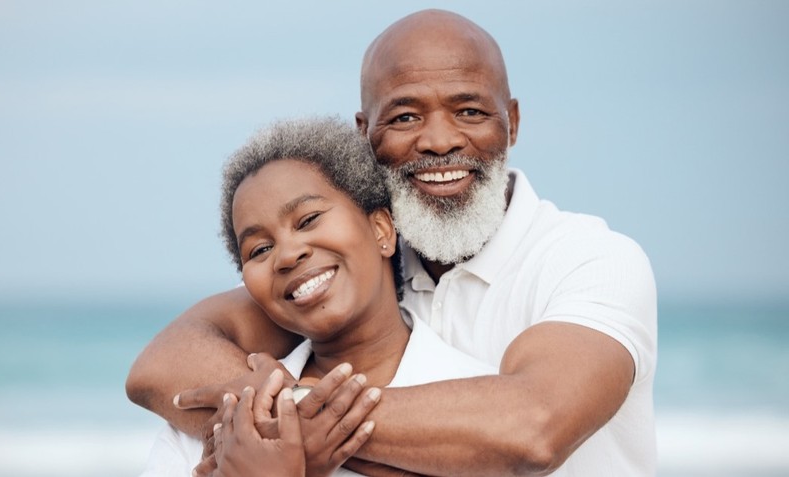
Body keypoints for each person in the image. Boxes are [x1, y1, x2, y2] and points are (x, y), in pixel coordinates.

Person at [128, 9, 657, 476]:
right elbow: (166, 363)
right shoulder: (350, 269)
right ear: (365, 134)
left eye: (469, 111)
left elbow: (535, 430)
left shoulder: (590, 260)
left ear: (512, 122)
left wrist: (288, 420)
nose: (439, 140)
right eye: (404, 117)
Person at [140, 116, 495, 476]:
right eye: (260, 249)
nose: (287, 255)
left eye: (308, 220)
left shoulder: (478, 408)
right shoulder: (220, 424)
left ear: (382, 230)